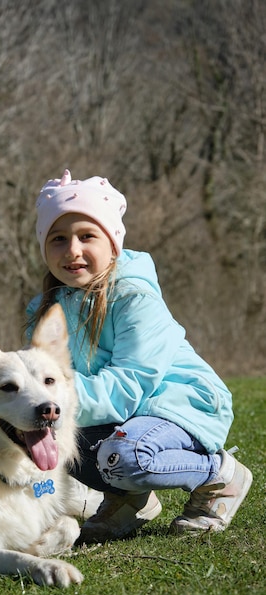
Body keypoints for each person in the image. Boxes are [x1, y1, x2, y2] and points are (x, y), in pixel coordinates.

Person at [26, 168, 253, 543]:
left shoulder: (134, 298)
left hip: (180, 404)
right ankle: (130, 499)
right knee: (48, 437)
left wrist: (54, 399)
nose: (72, 250)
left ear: (112, 242)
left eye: (87, 236)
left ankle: (218, 474)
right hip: (129, 416)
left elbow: (129, 385)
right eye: (58, 239)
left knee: (125, 458)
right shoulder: (45, 310)